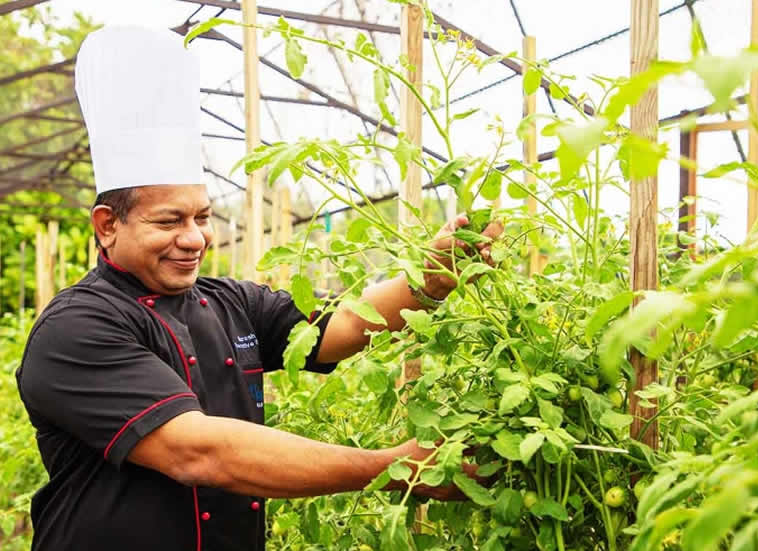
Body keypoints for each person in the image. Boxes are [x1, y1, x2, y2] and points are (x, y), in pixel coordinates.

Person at [15, 26, 501, 551]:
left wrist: (436, 274)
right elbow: (199, 452)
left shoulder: (231, 302)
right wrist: (390, 468)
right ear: (108, 225)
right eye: (168, 222)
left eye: (202, 216)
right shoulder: (76, 328)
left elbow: (347, 325)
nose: (194, 238)